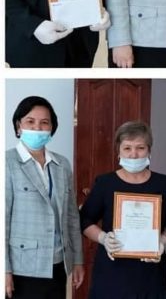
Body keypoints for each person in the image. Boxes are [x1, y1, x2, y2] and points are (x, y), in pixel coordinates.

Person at [79, 121, 166, 299]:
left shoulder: (162, 183)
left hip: (150, 274)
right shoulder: (105, 183)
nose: (133, 154)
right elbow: (85, 220)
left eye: (140, 148)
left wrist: (162, 240)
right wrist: (103, 238)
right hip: (111, 274)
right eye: (127, 148)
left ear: (149, 150)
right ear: (118, 151)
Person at [6, 96, 84, 299]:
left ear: (51, 128)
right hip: (22, 268)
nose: (37, 128)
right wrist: (4, 269)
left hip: (57, 264)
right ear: (19, 126)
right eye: (30, 121)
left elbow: (72, 217)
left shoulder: (62, 164)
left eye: (44, 123)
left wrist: (78, 260)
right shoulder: (7, 162)